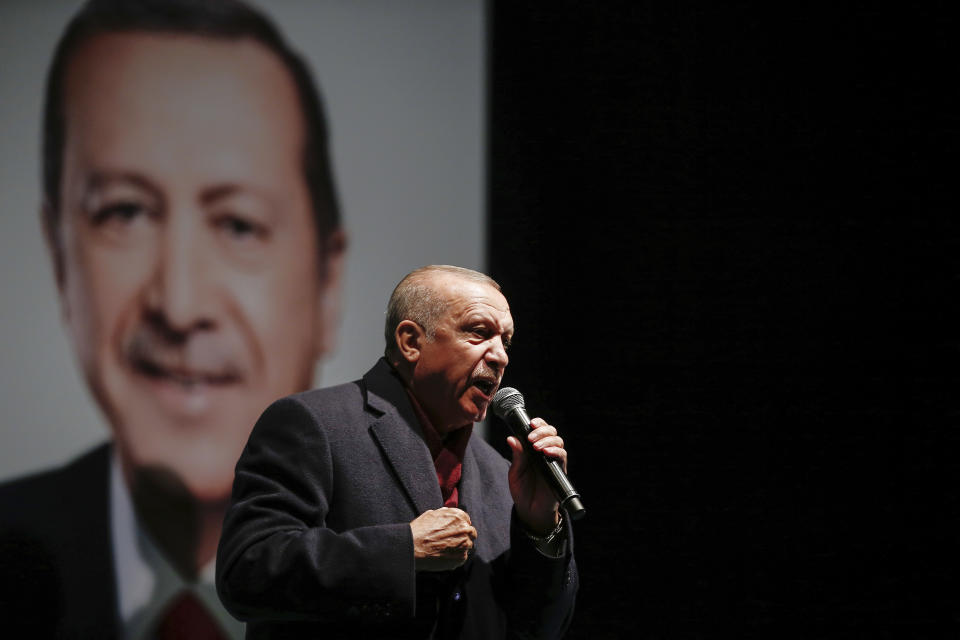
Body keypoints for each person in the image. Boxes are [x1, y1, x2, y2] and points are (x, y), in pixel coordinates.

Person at [0, 1, 345, 637]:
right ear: (58, 258)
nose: (179, 305)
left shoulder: (408, 572)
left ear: (328, 282)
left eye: (238, 224)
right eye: (125, 213)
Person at [216, 265, 578, 639]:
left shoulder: (500, 473)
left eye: (506, 342)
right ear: (410, 342)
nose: (500, 356)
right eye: (479, 333)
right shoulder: (312, 425)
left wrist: (539, 527)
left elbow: (539, 629)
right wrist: (403, 550)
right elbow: (247, 571)